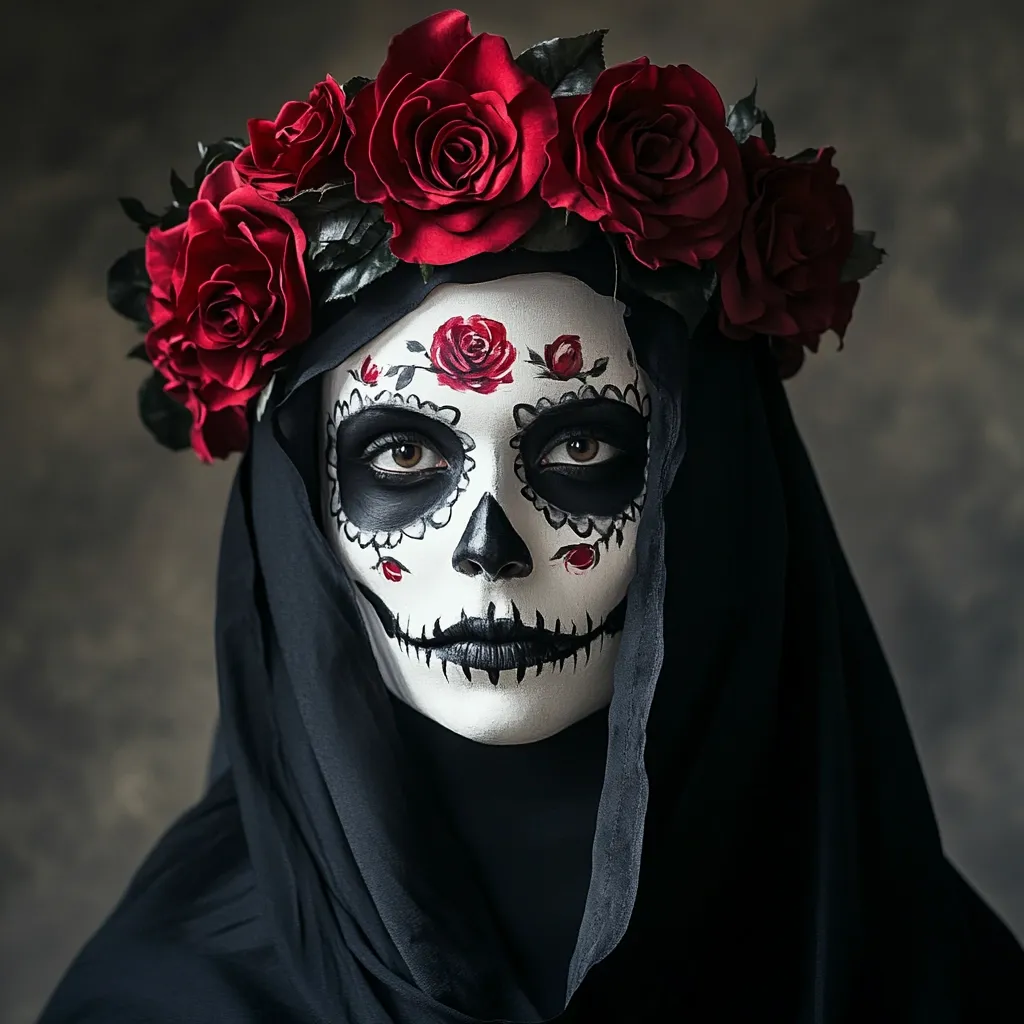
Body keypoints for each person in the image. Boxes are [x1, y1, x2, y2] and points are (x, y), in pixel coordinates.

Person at [40, 11, 1023, 1022]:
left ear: (715, 489)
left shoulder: (903, 967)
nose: (487, 553)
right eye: (404, 454)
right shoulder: (167, 995)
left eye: (581, 448)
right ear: (305, 521)